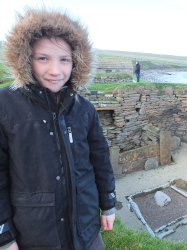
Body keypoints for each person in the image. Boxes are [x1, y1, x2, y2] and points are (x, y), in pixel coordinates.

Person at [0, 7, 116, 250]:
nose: (55, 71)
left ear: (77, 62)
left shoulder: (84, 108)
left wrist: (108, 204)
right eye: (43, 58)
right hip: (36, 235)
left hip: (86, 230)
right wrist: (5, 235)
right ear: (25, 58)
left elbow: (100, 160)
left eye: (64, 59)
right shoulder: (5, 106)